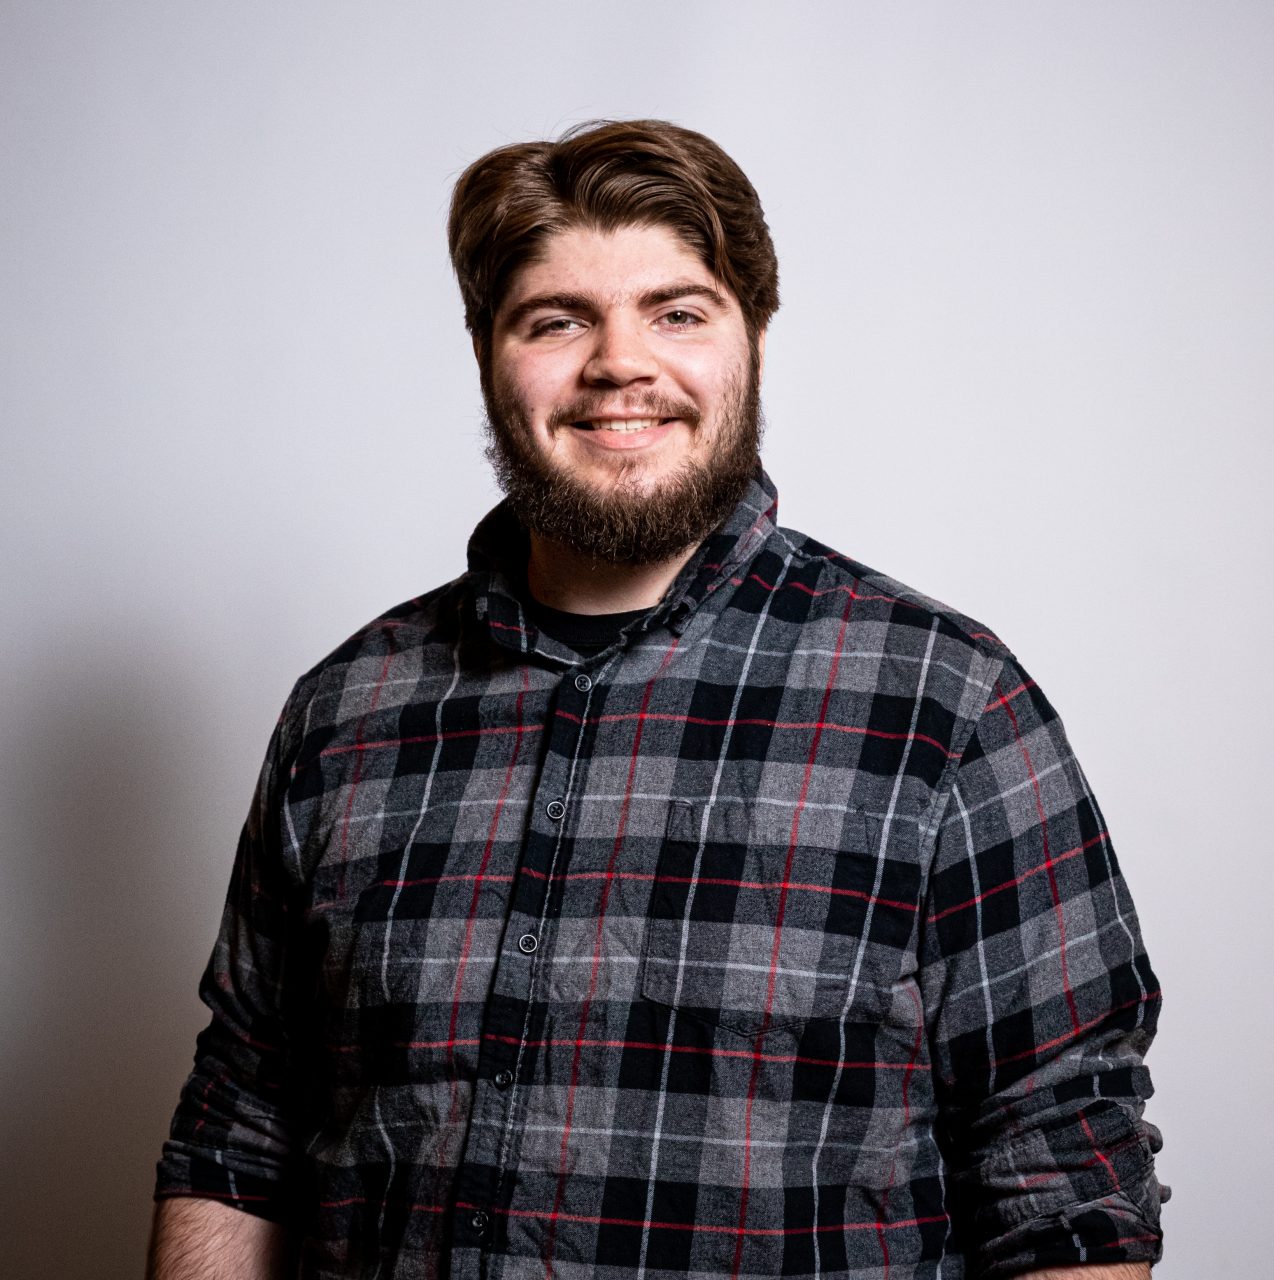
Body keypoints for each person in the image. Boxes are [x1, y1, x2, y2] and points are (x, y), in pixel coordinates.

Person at [149, 120, 1166, 1280]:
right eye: (556, 318)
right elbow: (241, 1128)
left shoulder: (947, 708)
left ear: (755, 344)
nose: (618, 363)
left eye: (676, 311)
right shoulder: (344, 713)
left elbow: (1064, 1183)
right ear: (487, 350)